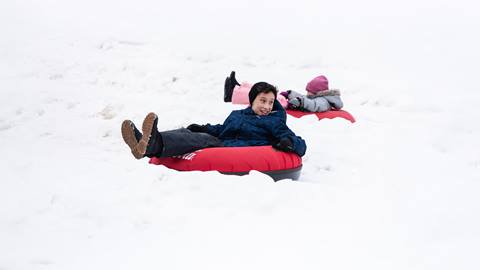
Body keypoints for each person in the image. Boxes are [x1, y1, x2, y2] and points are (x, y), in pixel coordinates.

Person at [121, 82, 307, 160]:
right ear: (252, 101)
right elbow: (222, 129)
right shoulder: (238, 115)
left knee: (203, 140)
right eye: (262, 101)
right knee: (190, 133)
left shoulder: (274, 121)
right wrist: (203, 127)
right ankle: (144, 141)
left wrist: (289, 143)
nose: (267, 106)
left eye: (270, 102)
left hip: (238, 149)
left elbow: (300, 145)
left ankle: (152, 145)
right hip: (224, 141)